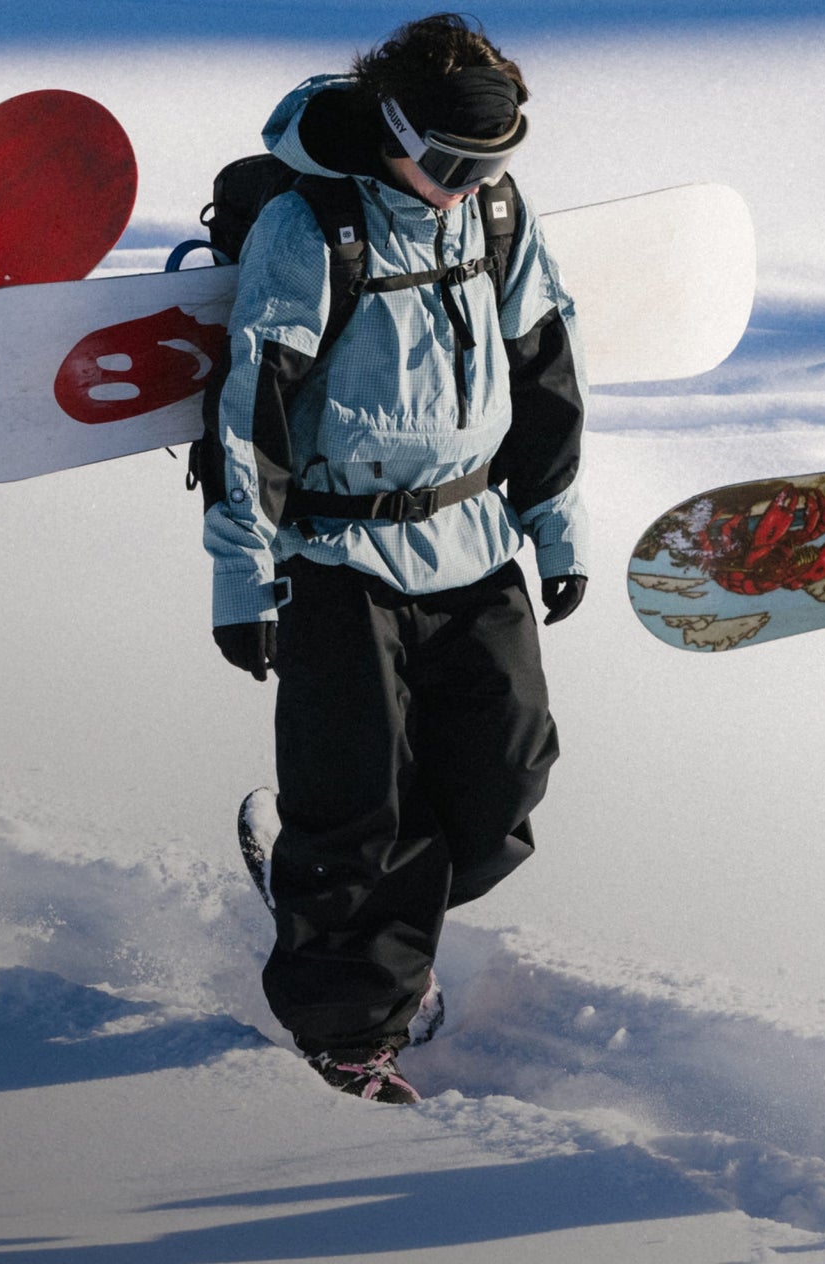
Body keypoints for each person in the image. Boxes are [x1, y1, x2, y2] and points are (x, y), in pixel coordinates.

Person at [204, 12, 587, 1103]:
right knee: (360, 802)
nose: (463, 184)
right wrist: (245, 576)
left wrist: (554, 529)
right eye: (444, 162)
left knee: (501, 784)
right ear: (390, 132)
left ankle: (347, 915)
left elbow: (547, 374)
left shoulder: (497, 216)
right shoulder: (307, 227)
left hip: (471, 541)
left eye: (489, 163)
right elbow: (253, 413)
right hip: (336, 549)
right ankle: (348, 1032)